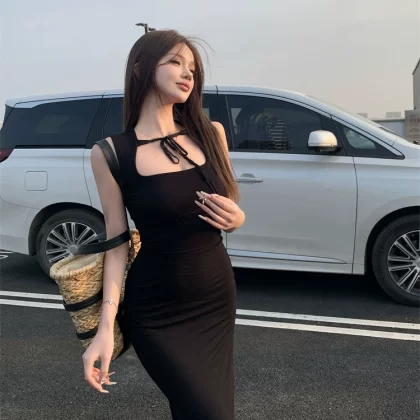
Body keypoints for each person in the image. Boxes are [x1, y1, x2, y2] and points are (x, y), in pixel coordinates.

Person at [82, 29, 245, 419]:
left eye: (192, 68)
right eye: (175, 62)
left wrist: (238, 218)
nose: (188, 73)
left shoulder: (212, 134)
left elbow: (229, 205)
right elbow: (117, 243)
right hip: (156, 310)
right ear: (141, 69)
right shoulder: (111, 153)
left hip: (215, 298)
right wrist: (104, 329)